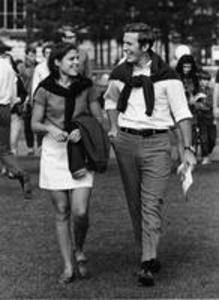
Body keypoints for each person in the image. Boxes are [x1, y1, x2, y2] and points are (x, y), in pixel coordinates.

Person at [104, 23, 196, 287]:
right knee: (135, 204)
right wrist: (112, 127)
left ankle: (147, 261)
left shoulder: (168, 76)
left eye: (129, 44)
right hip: (125, 144)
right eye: (124, 43)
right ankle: (147, 250)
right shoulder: (120, 72)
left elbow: (182, 115)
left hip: (157, 144)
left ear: (145, 46)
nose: (124, 48)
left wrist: (187, 149)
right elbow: (110, 100)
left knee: (151, 202)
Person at [31, 42, 105, 284]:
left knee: (80, 211)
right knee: (62, 211)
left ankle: (80, 248)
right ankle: (67, 266)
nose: (77, 63)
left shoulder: (87, 87)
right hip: (54, 153)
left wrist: (84, 130)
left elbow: (98, 119)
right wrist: (51, 130)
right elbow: (35, 123)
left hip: (80, 151)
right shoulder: (45, 89)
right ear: (57, 62)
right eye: (72, 59)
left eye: (78, 59)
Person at [0, 44, 32, 199]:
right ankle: (21, 173)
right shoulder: (7, 67)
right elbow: (14, 94)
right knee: (4, 149)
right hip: (5, 109)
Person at [174, 54, 200, 161]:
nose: (187, 69)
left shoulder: (194, 78)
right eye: (185, 67)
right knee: (180, 137)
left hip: (191, 110)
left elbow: (197, 92)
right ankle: (182, 160)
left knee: (192, 136)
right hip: (178, 110)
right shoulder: (175, 77)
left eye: (189, 67)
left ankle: (189, 158)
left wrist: (195, 98)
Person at [190, 70, 216, 164]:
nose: (204, 82)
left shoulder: (211, 91)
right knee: (202, 137)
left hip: (209, 117)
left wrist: (200, 104)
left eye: (206, 80)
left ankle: (207, 153)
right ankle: (204, 156)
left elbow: (210, 104)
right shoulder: (195, 90)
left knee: (212, 138)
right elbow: (191, 103)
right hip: (198, 117)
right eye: (203, 80)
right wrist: (198, 102)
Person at [19, 46, 39, 155]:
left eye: (34, 55)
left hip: (37, 98)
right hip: (26, 98)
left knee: (39, 122)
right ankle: (30, 147)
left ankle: (40, 146)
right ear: (26, 55)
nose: (33, 57)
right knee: (28, 124)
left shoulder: (39, 66)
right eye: (31, 55)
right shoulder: (21, 67)